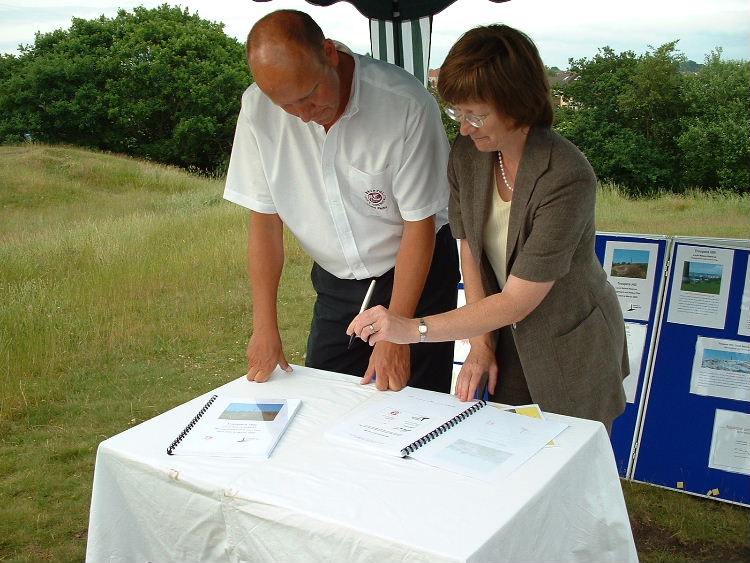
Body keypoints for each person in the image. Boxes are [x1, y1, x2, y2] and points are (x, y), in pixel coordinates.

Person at [348, 24, 628, 430]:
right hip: (505, 337)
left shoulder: (566, 175)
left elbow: (518, 300)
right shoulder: (468, 154)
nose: (464, 128)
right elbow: (470, 251)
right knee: (506, 447)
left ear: (518, 103)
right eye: (457, 112)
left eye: (476, 115)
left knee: (570, 455)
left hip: (573, 346)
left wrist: (411, 329)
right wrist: (481, 344)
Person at [224, 10, 460, 393]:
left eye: (309, 96)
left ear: (329, 53)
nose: (304, 116)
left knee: (413, 402)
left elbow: (419, 224)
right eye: (287, 106)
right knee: (327, 396)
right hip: (337, 282)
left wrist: (398, 331)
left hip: (418, 273)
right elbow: (265, 221)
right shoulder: (257, 109)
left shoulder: (404, 104)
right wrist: (264, 327)